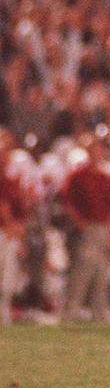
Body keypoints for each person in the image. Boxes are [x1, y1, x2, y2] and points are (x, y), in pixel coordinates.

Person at [59, 133, 110, 322]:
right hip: (86, 229)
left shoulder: (106, 178)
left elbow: (109, 210)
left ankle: (99, 314)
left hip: (101, 227)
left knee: (101, 274)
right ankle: (71, 312)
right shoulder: (77, 175)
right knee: (81, 272)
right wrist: (79, 223)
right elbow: (67, 201)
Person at [0, 129, 29, 325]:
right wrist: (9, 223)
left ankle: (5, 316)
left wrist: (19, 226)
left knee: (8, 278)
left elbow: (19, 206)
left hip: (9, 232)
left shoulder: (11, 177)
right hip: (3, 229)